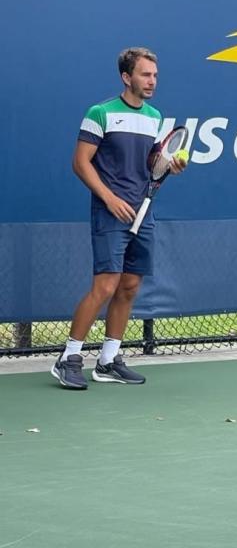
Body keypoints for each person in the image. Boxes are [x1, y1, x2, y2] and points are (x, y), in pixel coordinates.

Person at [51, 47, 187, 390]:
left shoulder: (155, 117)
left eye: (154, 75)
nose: (152, 80)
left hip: (143, 212)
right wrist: (109, 198)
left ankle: (109, 360)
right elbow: (80, 162)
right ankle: (68, 358)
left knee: (129, 287)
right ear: (127, 77)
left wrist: (171, 166)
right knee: (106, 286)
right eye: (145, 74)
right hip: (110, 212)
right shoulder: (101, 113)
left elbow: (153, 165)